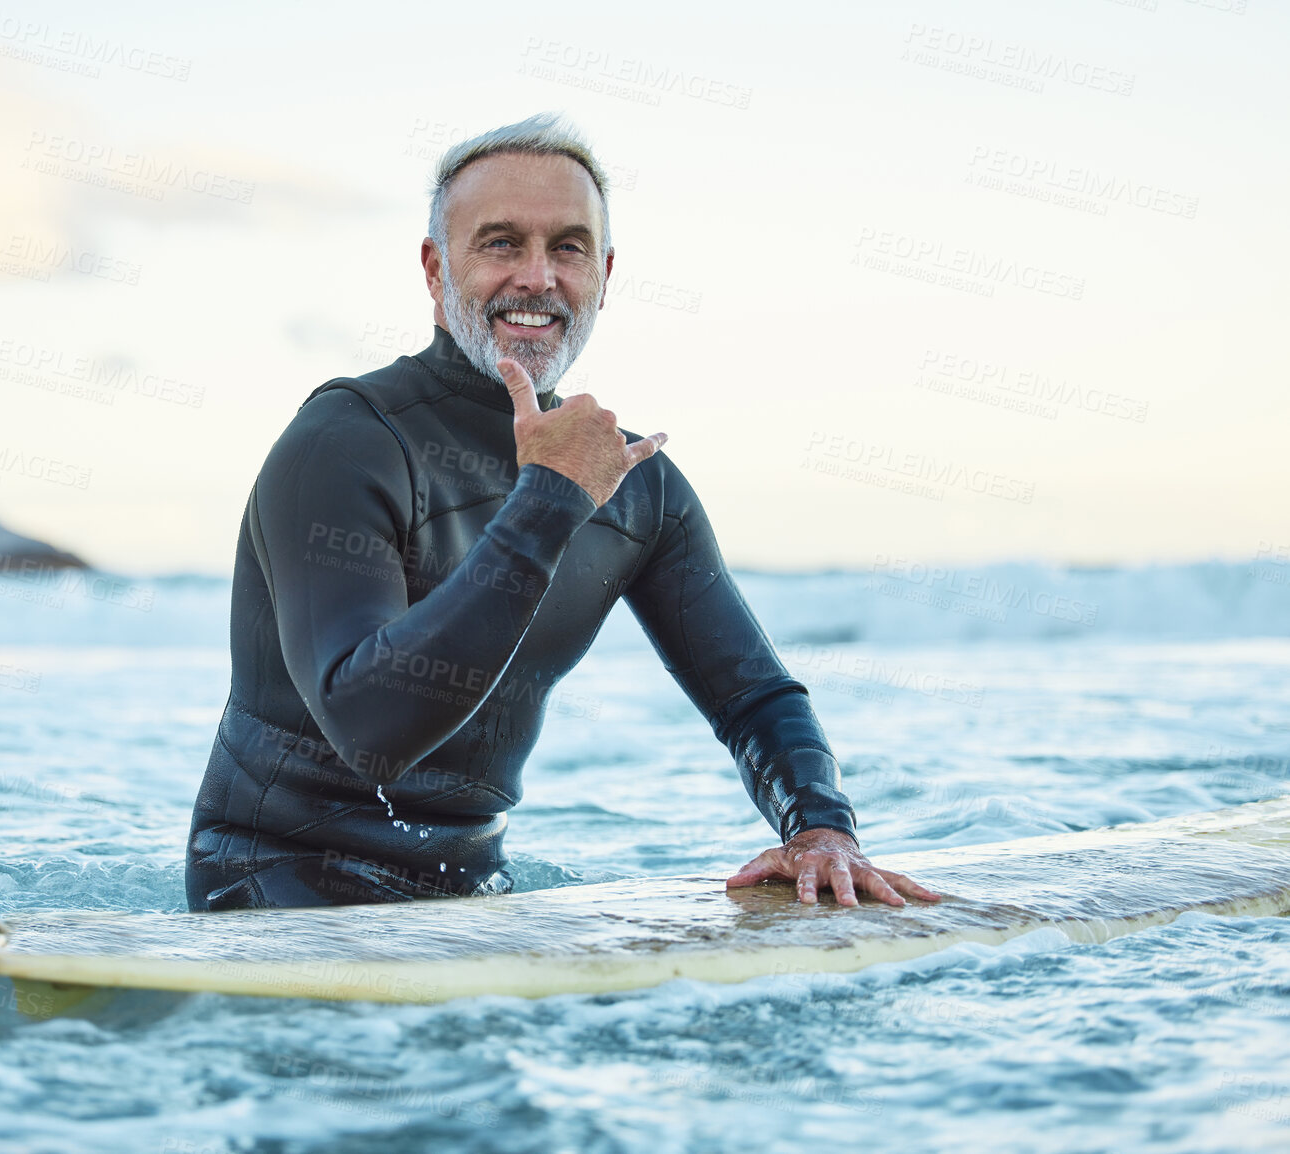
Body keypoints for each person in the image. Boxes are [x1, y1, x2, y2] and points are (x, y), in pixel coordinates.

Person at [185, 113, 938, 913]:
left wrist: (819, 831)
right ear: (435, 269)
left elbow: (753, 695)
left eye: (568, 247)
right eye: (501, 242)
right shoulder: (345, 441)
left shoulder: (636, 484)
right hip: (272, 881)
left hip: (469, 891)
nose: (537, 277)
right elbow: (371, 733)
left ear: (605, 275)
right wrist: (549, 499)